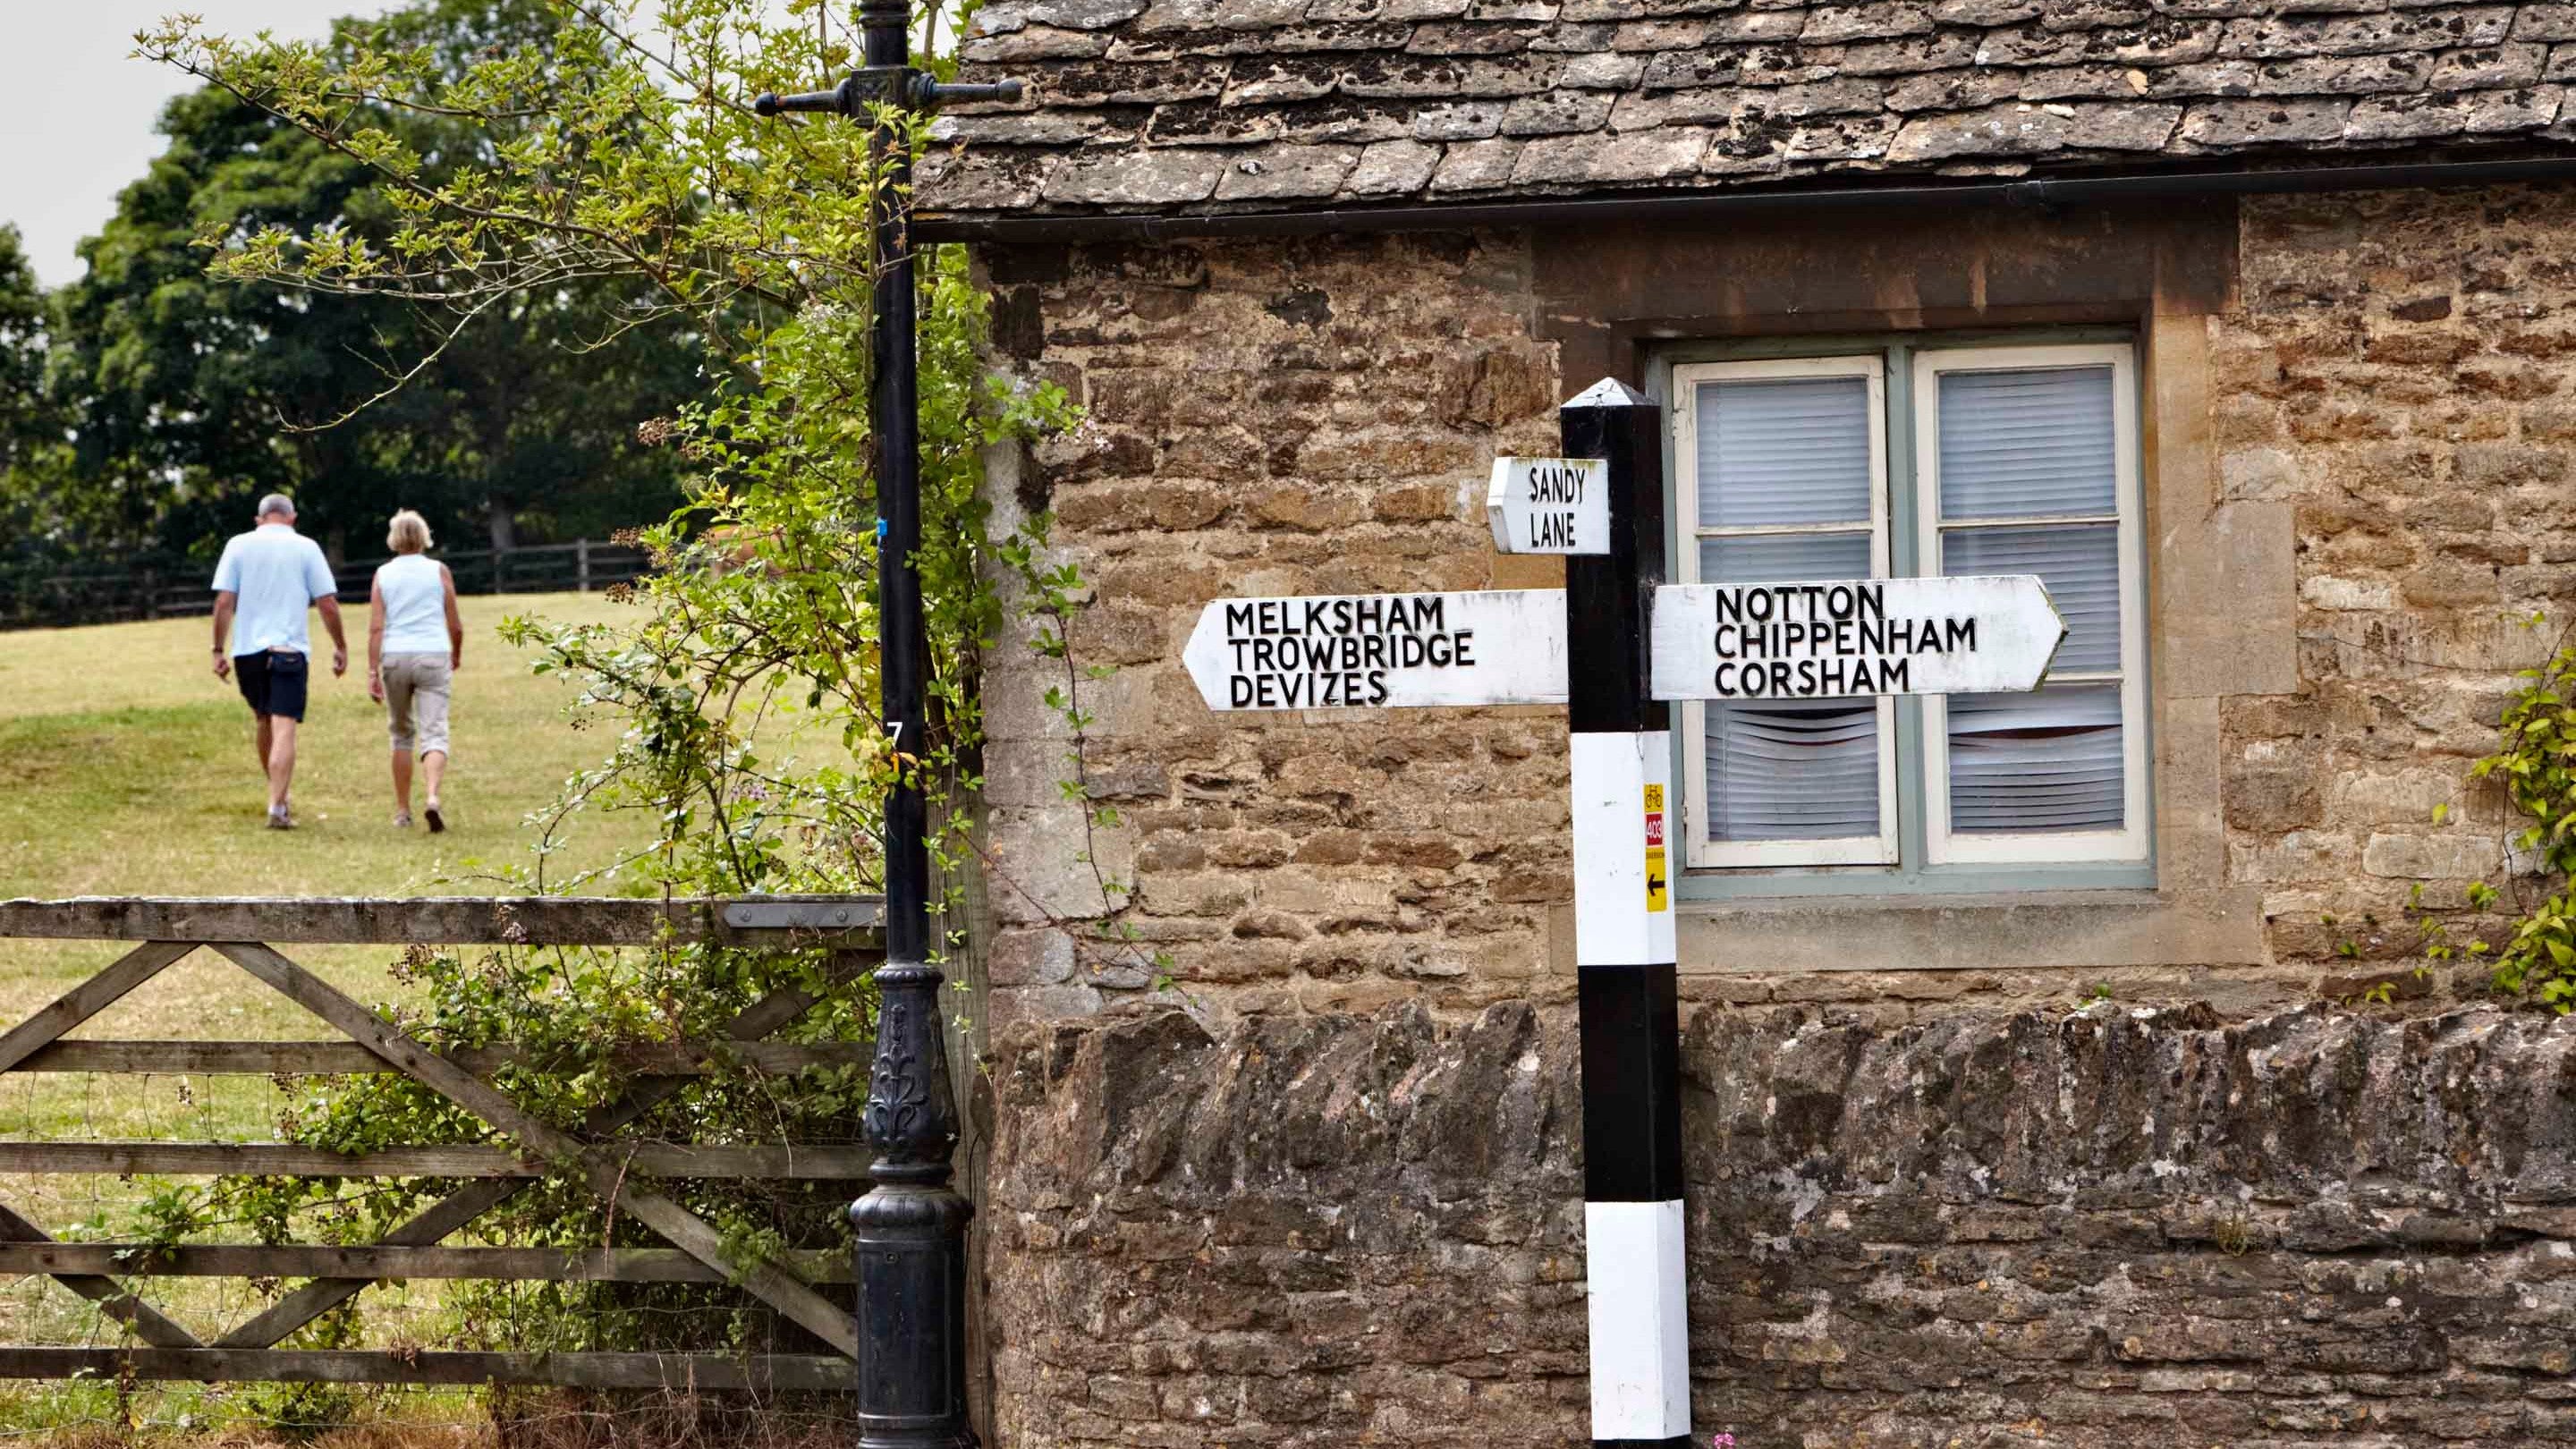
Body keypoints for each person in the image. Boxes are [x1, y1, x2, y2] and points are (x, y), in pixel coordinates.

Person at [211, 494, 348, 830]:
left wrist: (217, 649)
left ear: (259, 520)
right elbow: (327, 603)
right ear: (292, 518)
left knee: (263, 721)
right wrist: (340, 646)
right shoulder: (306, 547)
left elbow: (225, 600)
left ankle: (278, 798)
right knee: (284, 727)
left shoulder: (238, 545)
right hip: (288, 649)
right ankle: (277, 804)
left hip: (248, 652)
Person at [368, 510, 463, 833]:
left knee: (401, 734)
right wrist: (456, 653)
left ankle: (402, 811)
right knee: (434, 732)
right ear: (424, 536)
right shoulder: (439, 571)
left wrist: (371, 670)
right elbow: (455, 622)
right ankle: (433, 797)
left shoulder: (383, 574)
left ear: (394, 538)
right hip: (433, 653)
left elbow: (376, 627)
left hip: (395, 655)